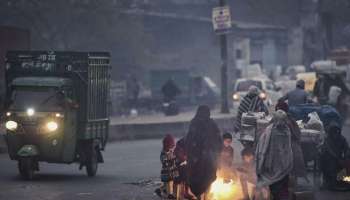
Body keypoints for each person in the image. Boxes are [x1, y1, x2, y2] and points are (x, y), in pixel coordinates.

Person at [185, 105, 223, 199]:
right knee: (201, 179)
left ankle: (205, 196)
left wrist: (217, 151)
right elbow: (190, 139)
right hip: (198, 157)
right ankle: (202, 196)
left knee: (208, 178)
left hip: (206, 157)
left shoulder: (209, 123)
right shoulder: (196, 123)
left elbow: (217, 139)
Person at [256, 110, 293, 200]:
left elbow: (287, 148)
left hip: (283, 164)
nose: (282, 122)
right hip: (271, 163)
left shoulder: (286, 131)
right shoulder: (269, 131)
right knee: (274, 186)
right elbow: (263, 146)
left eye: (283, 120)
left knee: (280, 186)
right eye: (280, 120)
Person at [275, 101, 307, 181]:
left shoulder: (286, 121)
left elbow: (296, 134)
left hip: (287, 147)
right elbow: (297, 134)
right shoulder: (290, 119)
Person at [320, 123, 350, 189]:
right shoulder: (327, 140)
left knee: (348, 164)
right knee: (331, 164)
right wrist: (338, 159)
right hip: (328, 158)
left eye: (337, 132)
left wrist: (346, 157)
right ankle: (330, 182)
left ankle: (346, 181)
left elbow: (347, 148)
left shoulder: (342, 139)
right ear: (331, 132)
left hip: (339, 157)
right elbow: (330, 151)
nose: (336, 134)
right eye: (334, 132)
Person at [155, 134, 179, 199]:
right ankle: (168, 195)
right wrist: (173, 160)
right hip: (166, 173)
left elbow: (173, 159)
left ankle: (160, 191)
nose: (172, 146)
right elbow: (165, 162)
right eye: (171, 145)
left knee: (167, 185)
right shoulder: (163, 153)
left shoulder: (170, 151)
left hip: (171, 173)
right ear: (167, 144)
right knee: (167, 186)